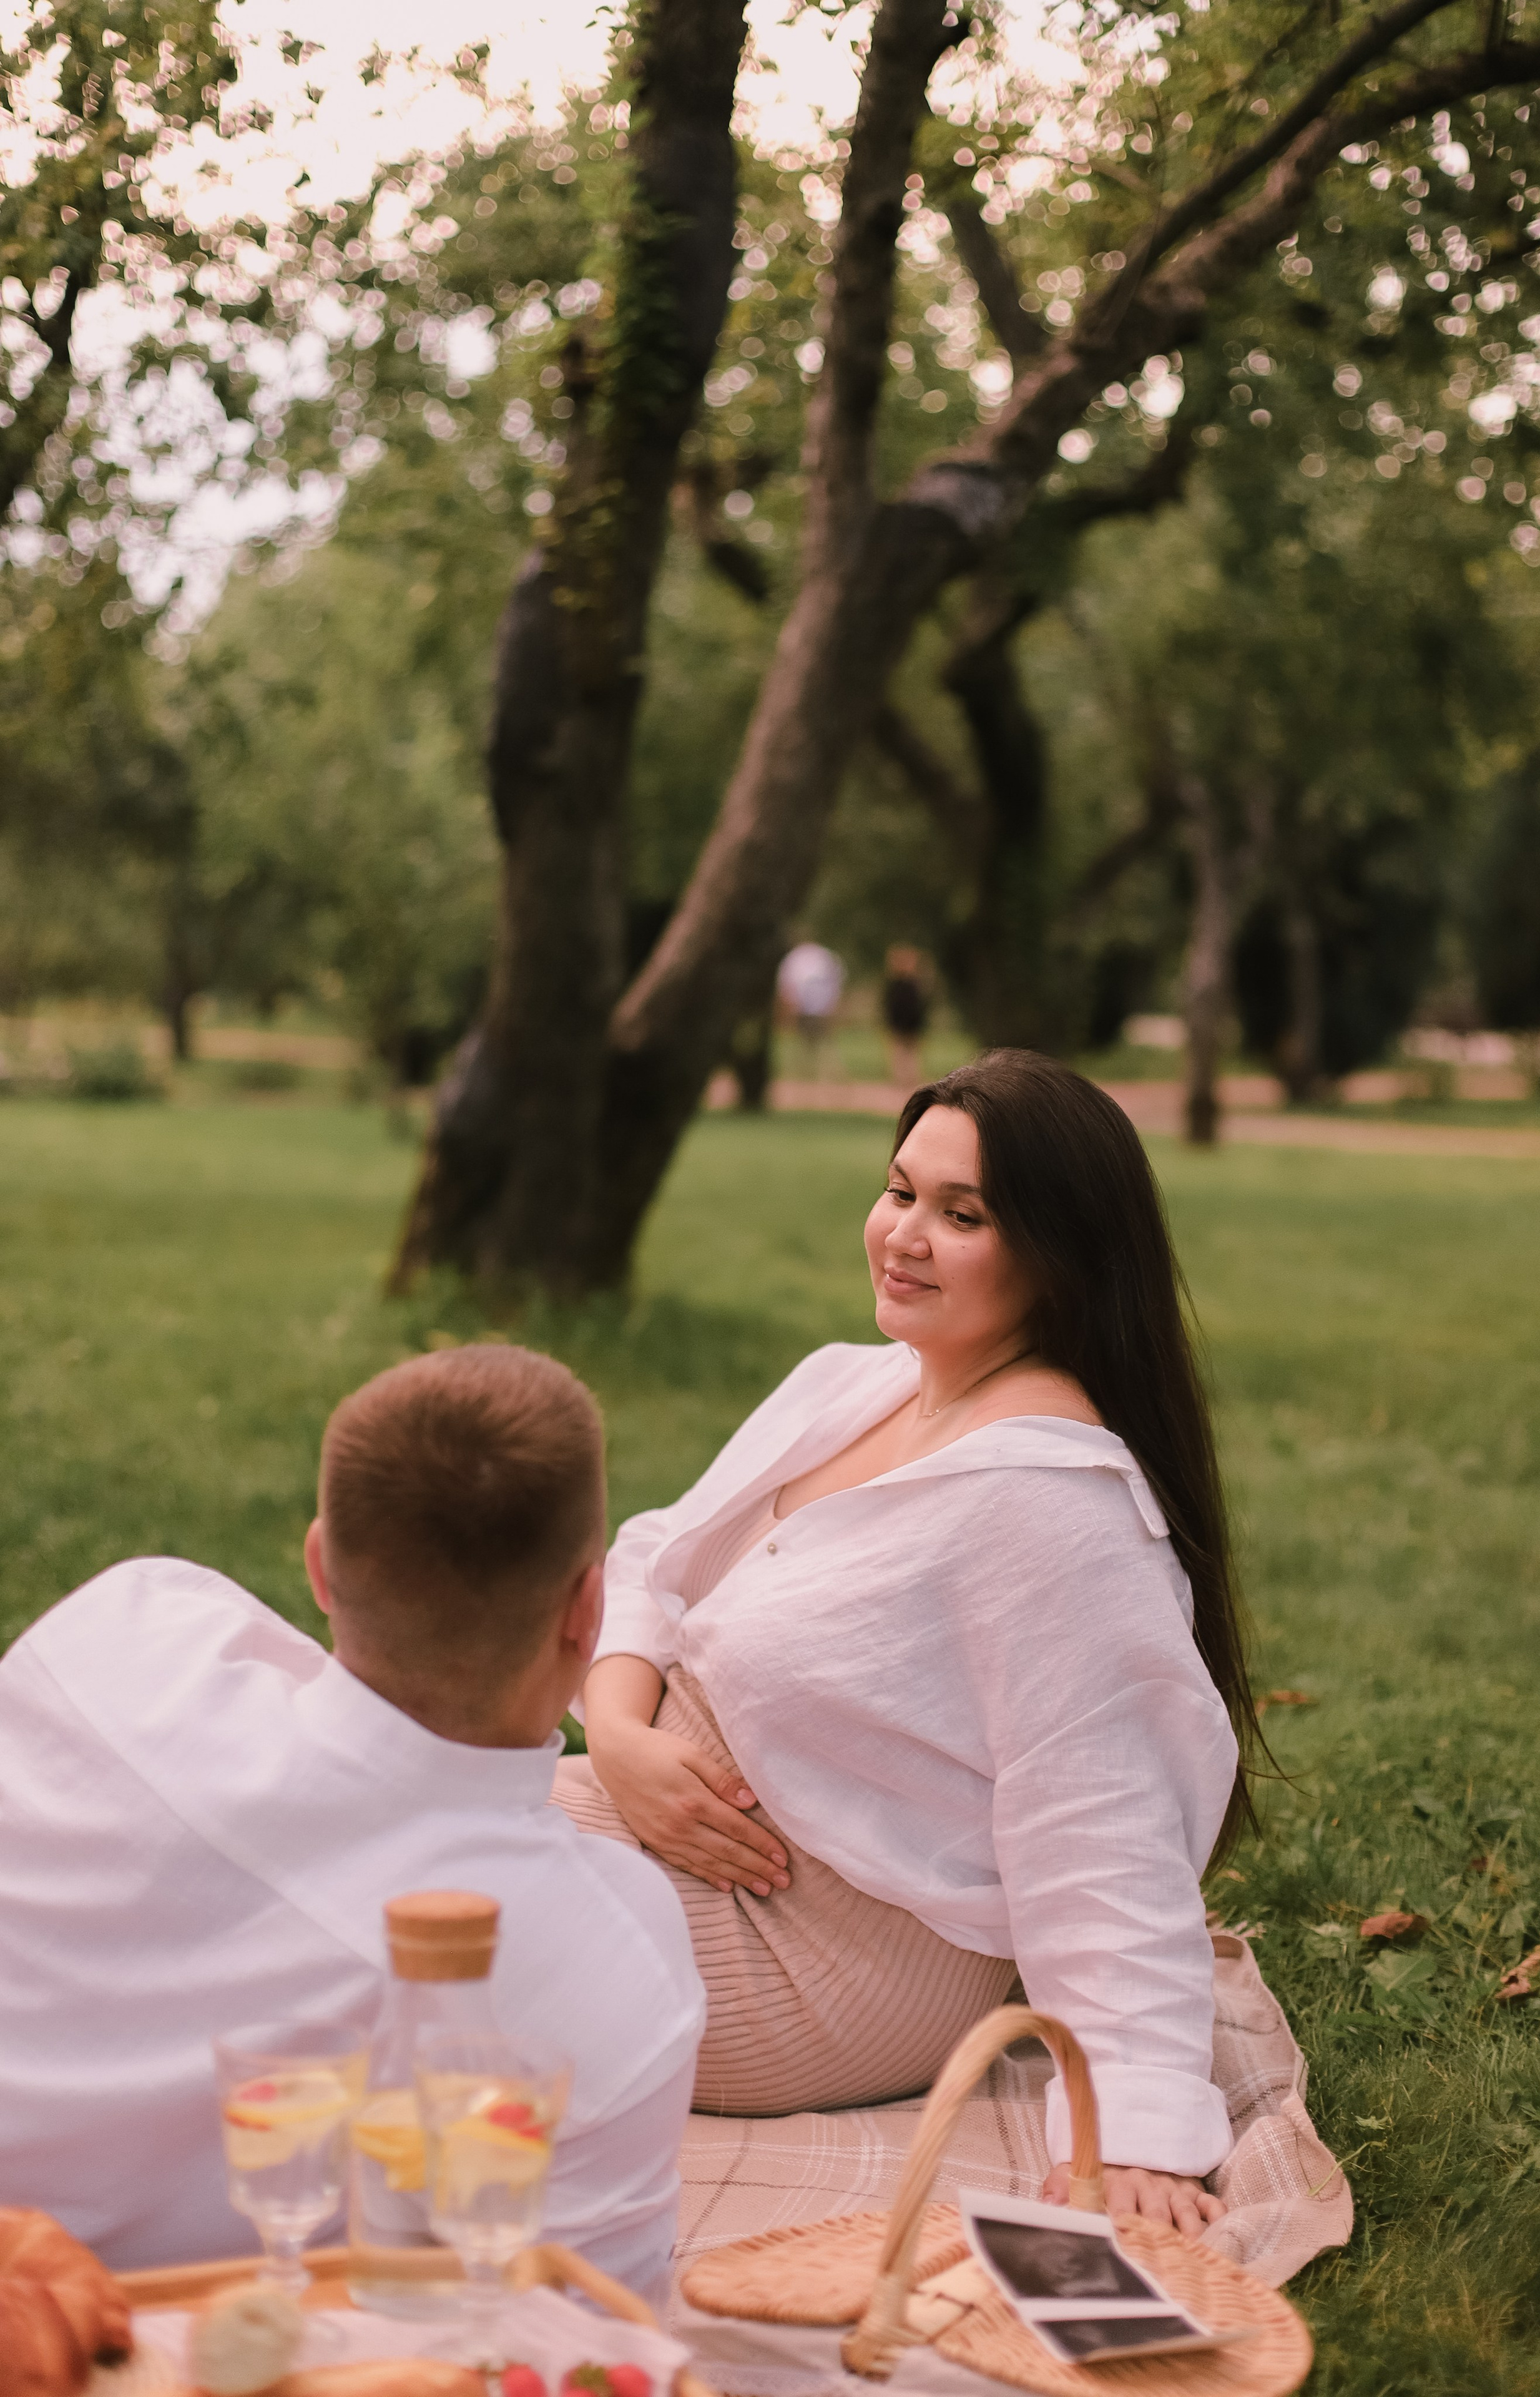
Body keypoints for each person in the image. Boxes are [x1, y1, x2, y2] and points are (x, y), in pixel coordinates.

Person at [557, 1050, 1262, 2237]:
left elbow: (1100, 1815)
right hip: (670, 1833)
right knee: (350, 1802)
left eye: (962, 1214)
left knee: (389, 1899)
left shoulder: (1049, 1504)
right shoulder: (856, 1386)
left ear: (1060, 1253)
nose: (903, 1235)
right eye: (899, 1192)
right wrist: (621, 1735)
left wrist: (1131, 2121)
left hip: (819, 1952)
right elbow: (655, 1559)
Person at [0, 1346, 705, 2300]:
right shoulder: (611, 1957)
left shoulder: (126, 1634)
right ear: (589, 1610)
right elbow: (591, 2334)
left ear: (321, 1565)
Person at [775, 939, 844, 1074]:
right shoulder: (799, 959)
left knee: (823, 1040)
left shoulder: (819, 958)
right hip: (805, 1008)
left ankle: (824, 1070)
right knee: (805, 1040)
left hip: (819, 1009)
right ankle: (805, 1070)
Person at [881, 944, 931, 1087]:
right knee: (899, 1053)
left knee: (910, 1054)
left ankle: (910, 1080)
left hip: (910, 1024)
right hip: (899, 1024)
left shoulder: (912, 985)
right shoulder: (898, 985)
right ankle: (901, 1080)